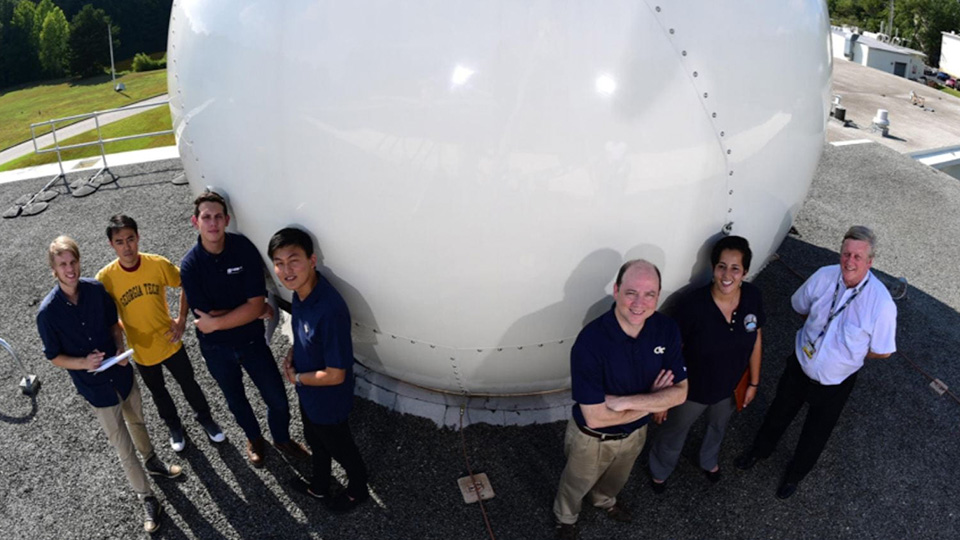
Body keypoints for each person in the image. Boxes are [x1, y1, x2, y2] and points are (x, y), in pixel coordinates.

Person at [734, 226, 897, 500]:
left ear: (870, 262)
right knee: (778, 412)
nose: (849, 261)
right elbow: (800, 307)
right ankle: (759, 451)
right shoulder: (823, 276)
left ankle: (794, 475)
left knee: (816, 433)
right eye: (846, 253)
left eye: (858, 257)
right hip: (800, 365)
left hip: (836, 382)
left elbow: (883, 351)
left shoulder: (881, 304)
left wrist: (852, 355)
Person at [37, 236, 182, 534]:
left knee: (138, 422)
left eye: (73, 262)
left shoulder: (96, 289)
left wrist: (119, 348)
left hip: (121, 374)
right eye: (62, 264)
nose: (70, 269)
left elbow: (114, 325)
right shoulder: (48, 313)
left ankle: (152, 461)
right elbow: (53, 357)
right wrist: (83, 363)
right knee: (123, 446)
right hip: (96, 389)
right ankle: (147, 497)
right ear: (53, 269)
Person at [553, 259, 688, 540]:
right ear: (616, 291)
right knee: (575, 483)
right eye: (631, 293)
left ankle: (604, 501)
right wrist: (655, 401)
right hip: (592, 439)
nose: (639, 303)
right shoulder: (591, 342)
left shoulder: (666, 329)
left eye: (649, 294)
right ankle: (566, 518)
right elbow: (595, 418)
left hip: (635, 434)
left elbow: (681, 392)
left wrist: (625, 402)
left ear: (658, 296)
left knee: (617, 479)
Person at [179, 191, 310, 467]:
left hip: (251, 341)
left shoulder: (243, 249)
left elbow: (247, 307)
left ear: (227, 220)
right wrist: (249, 310)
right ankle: (254, 439)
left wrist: (222, 319)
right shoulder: (190, 266)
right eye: (206, 217)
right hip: (216, 349)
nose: (213, 223)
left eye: (218, 217)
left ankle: (281, 438)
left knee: (277, 398)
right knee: (236, 400)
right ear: (195, 221)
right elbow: (209, 314)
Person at [96, 214, 225, 452]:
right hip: (141, 349)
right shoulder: (105, 278)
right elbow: (105, 315)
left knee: (189, 383)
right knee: (158, 392)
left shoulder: (156, 264)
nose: (127, 247)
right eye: (120, 242)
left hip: (170, 340)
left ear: (138, 237)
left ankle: (206, 418)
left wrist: (182, 319)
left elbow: (187, 283)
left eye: (130, 239)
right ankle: (174, 426)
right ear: (111, 245)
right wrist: (120, 340)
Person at [647, 235, 763, 492]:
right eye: (722, 266)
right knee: (674, 431)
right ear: (713, 268)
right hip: (691, 390)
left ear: (745, 272)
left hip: (730, 387)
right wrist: (663, 397)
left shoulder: (752, 297)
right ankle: (659, 470)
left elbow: (756, 338)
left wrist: (754, 382)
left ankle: (708, 461)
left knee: (718, 427)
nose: (727, 275)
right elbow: (672, 353)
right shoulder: (692, 306)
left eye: (735, 268)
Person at [269, 227, 370, 512]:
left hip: (328, 400)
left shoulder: (330, 310)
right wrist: (294, 353)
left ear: (312, 260)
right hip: (309, 394)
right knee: (315, 439)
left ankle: (358, 489)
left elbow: (336, 374)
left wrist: (297, 377)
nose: (286, 271)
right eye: (279, 263)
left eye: (294, 261)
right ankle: (320, 485)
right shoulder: (300, 293)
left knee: (341, 448)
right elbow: (306, 336)